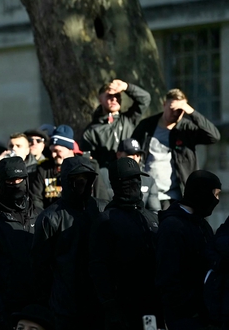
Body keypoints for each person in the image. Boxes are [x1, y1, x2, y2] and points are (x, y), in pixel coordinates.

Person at [31, 156, 107, 330]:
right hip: (65, 306)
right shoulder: (50, 217)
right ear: (66, 181)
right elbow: (39, 266)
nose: (82, 184)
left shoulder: (102, 211)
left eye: (86, 179)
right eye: (76, 179)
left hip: (99, 303)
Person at [89, 158, 160, 330]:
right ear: (116, 184)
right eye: (128, 180)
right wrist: (109, 304)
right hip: (122, 304)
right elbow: (98, 265)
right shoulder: (105, 220)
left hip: (152, 304)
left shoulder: (151, 218)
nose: (135, 183)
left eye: (137, 178)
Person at [0, 157, 39, 330]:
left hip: (36, 305)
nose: (16, 184)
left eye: (20, 180)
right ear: (2, 182)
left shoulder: (40, 215)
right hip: (5, 308)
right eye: (11, 181)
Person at [132, 88, 220, 209]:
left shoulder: (186, 128)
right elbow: (132, 149)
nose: (176, 113)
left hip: (176, 195)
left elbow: (214, 136)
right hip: (148, 192)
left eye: (180, 111)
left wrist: (191, 112)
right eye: (173, 109)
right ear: (164, 104)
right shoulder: (147, 126)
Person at [156, 170, 222, 330]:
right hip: (184, 318)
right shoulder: (172, 227)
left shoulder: (202, 225)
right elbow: (168, 278)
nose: (217, 200)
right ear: (202, 192)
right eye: (215, 194)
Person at [81, 79, 151, 169]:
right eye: (109, 96)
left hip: (132, 172)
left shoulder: (128, 119)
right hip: (108, 178)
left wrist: (126, 87)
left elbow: (145, 99)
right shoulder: (91, 131)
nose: (114, 99)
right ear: (100, 99)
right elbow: (88, 162)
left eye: (117, 95)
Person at [100, 138, 162, 213]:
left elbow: (155, 210)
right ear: (118, 154)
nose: (135, 158)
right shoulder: (103, 174)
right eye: (131, 154)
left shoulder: (148, 179)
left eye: (138, 155)